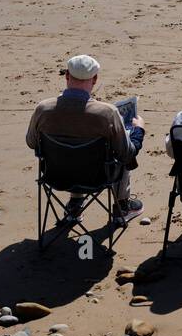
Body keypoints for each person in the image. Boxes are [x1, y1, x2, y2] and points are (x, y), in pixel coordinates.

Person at [26, 54, 146, 223]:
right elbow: (126, 153)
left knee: (73, 151)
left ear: (67, 76)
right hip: (97, 178)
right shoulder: (107, 113)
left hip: (55, 176)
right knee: (122, 145)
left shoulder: (43, 109)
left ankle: (74, 205)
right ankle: (122, 206)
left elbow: (31, 143)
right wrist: (138, 130)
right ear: (95, 79)